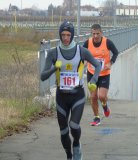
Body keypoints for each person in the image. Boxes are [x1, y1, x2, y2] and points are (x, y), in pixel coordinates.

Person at [40, 20, 101, 160]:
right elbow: (43, 76)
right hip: (61, 96)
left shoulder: (82, 51)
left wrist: (93, 79)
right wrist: (54, 68)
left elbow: (97, 66)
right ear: (60, 35)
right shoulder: (53, 53)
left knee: (74, 126)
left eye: (68, 34)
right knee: (63, 132)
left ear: (72, 35)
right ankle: (69, 155)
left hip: (77, 95)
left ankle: (77, 145)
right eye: (63, 34)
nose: (65, 38)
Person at [83, 23, 119, 126]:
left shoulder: (107, 42)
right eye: (93, 34)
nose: (95, 36)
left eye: (97, 34)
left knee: (102, 96)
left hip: (104, 73)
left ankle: (104, 105)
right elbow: (82, 54)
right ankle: (96, 117)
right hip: (92, 73)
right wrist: (84, 61)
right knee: (93, 97)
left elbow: (116, 52)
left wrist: (110, 63)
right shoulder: (87, 43)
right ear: (91, 33)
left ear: (101, 33)